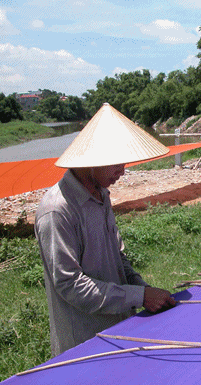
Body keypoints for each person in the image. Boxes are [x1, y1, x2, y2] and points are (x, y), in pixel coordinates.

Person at [35, 103, 176, 356]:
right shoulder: (57, 211)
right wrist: (139, 296)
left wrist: (141, 289)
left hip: (121, 326)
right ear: (91, 161)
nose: (122, 171)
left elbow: (117, 258)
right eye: (116, 163)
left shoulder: (102, 195)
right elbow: (70, 285)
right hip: (85, 341)